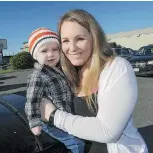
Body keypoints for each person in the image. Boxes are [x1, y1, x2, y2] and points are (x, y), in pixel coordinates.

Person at [39, 9, 148, 153]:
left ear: (94, 38)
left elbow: (108, 131)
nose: (72, 48)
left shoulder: (116, 68)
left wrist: (53, 116)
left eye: (80, 39)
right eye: (65, 41)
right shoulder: (69, 74)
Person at [25, 27, 85, 153]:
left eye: (54, 49)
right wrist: (34, 122)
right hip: (51, 123)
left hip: (66, 117)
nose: (50, 54)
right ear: (35, 55)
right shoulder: (37, 75)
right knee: (77, 144)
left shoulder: (59, 69)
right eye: (44, 51)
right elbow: (32, 101)